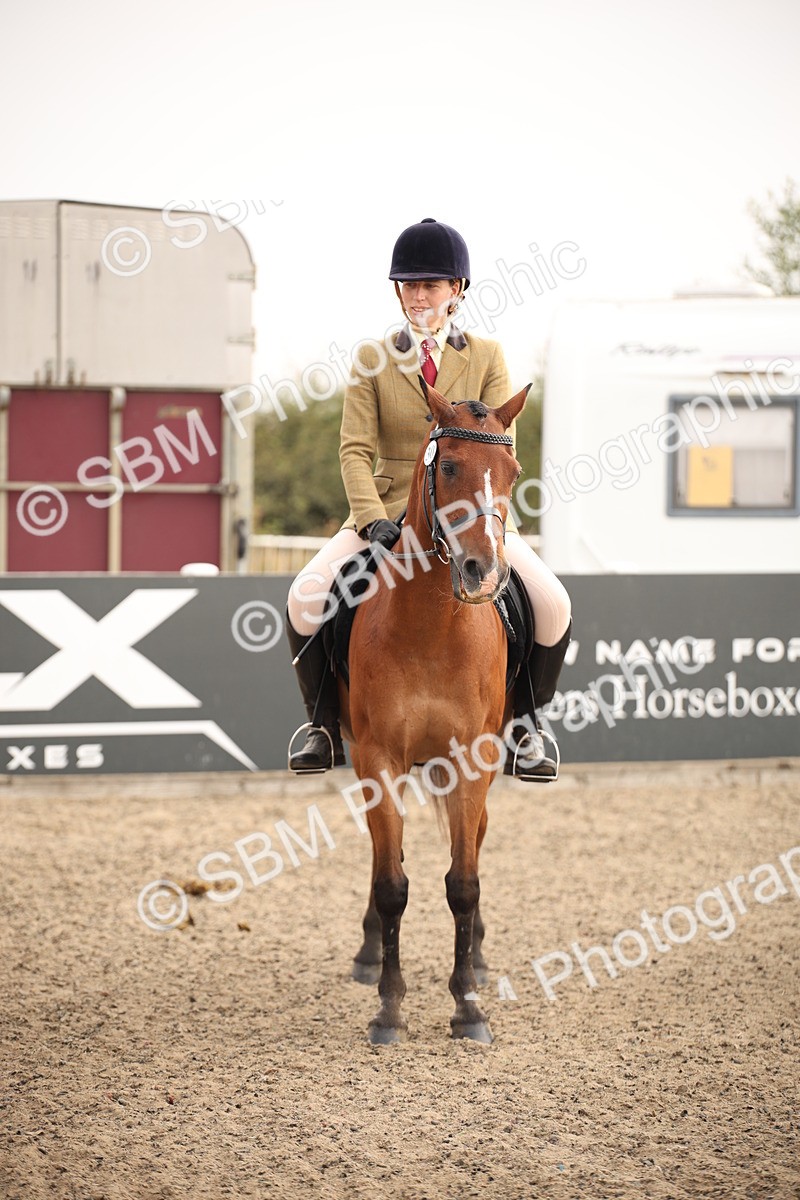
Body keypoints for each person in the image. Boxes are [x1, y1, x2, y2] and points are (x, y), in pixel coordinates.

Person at [285, 218, 572, 780]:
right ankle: (321, 726)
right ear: (398, 291)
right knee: (302, 598)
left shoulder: (487, 356)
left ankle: (527, 729)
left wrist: (481, 515)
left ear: (456, 290)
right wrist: (371, 521)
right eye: (410, 285)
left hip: (470, 514)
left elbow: (498, 443)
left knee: (555, 605)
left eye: (432, 285)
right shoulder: (372, 358)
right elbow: (353, 451)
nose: (420, 295)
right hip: (386, 512)